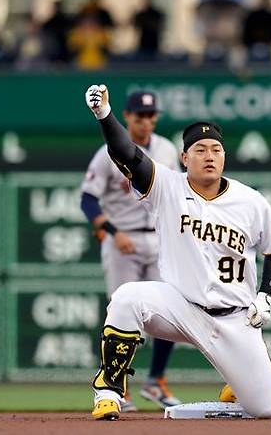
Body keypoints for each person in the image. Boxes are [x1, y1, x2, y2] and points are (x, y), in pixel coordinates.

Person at [84, 84, 271, 421]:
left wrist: (265, 295)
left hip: (235, 318)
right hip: (181, 307)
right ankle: (108, 390)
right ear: (184, 158)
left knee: (266, 409)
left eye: (216, 150)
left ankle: (239, 384)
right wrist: (104, 114)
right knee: (126, 298)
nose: (209, 156)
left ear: (224, 156)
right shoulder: (167, 186)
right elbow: (126, 153)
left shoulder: (250, 201)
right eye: (200, 150)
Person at [80, 91, 181, 412]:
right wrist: (110, 230)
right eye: (140, 116)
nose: (146, 121)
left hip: (160, 239)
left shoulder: (166, 149)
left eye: (151, 115)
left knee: (171, 309)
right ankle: (117, 386)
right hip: (123, 241)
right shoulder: (107, 152)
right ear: (127, 116)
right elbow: (87, 199)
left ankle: (155, 379)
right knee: (122, 313)